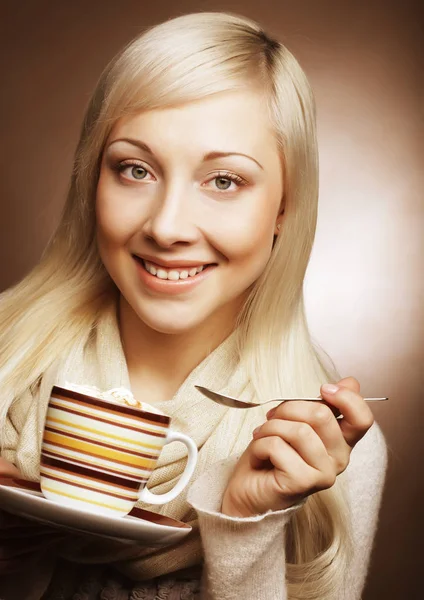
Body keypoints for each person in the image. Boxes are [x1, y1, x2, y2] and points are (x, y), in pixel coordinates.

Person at [0, 11, 387, 600]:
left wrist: (245, 525)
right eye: (136, 169)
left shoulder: (325, 454)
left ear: (286, 207)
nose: (168, 226)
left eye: (224, 181)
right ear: (92, 181)